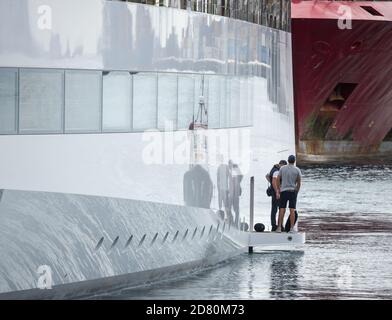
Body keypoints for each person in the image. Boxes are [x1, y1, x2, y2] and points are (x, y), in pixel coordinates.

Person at [275, 155, 302, 233]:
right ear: (294, 161)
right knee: (292, 210)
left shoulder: (282, 168)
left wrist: (278, 189)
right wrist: (297, 191)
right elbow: (299, 182)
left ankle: (279, 227)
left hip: (283, 191)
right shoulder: (297, 170)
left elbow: (278, 179)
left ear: (288, 160)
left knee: (282, 209)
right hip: (292, 191)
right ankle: (292, 228)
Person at [265, 160, 287, 231]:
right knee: (279, 209)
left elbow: (267, 176)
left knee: (274, 209)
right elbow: (274, 182)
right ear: (281, 165)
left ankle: (275, 225)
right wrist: (277, 191)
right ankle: (277, 226)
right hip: (276, 193)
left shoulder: (274, 169)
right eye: (284, 166)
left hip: (274, 192)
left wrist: (270, 182)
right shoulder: (277, 171)